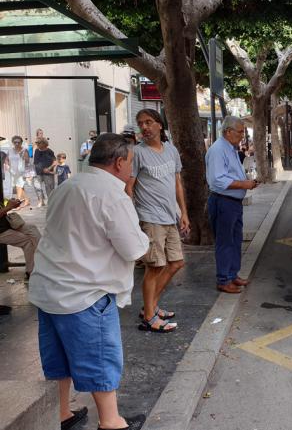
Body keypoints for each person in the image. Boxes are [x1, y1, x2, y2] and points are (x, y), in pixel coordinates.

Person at [28, 133, 149, 430]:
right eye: (130, 162)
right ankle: (111, 422)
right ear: (119, 162)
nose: (131, 169)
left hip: (49, 288)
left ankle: (61, 413)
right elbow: (133, 248)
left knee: (57, 361)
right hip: (86, 293)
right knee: (100, 359)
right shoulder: (112, 195)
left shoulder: (66, 187)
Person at [126, 109, 188, 333]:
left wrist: (184, 213)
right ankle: (149, 317)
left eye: (149, 122)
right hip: (150, 217)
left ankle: (150, 307)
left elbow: (177, 183)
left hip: (170, 216)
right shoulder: (137, 153)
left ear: (159, 125)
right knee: (155, 266)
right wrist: (132, 218)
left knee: (176, 263)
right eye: (141, 123)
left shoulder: (171, 151)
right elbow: (129, 187)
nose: (144, 127)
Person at [206, 116, 257, 294]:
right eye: (240, 131)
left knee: (235, 240)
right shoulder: (218, 150)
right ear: (228, 132)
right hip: (223, 201)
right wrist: (245, 184)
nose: (242, 135)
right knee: (225, 241)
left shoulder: (231, 149)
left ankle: (232, 273)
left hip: (233, 202)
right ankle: (223, 279)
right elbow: (218, 180)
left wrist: (246, 182)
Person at [0, 197, 41, 281]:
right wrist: (9, 207)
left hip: (8, 224)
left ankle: (43, 258)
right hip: (2, 231)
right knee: (27, 241)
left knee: (32, 229)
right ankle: (31, 271)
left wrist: (11, 204)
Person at [33, 138, 56, 207]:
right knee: (37, 187)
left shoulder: (50, 151)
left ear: (44, 143)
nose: (37, 144)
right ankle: (41, 201)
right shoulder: (36, 151)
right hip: (38, 172)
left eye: (39, 143)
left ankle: (51, 201)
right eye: (37, 143)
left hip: (48, 173)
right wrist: (41, 169)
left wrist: (49, 168)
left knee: (49, 188)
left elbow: (55, 161)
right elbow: (35, 162)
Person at [8, 136, 30, 207]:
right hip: (12, 171)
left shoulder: (24, 150)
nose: (17, 144)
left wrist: (22, 156)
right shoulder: (10, 150)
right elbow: (7, 159)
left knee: (18, 186)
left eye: (18, 142)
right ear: (13, 142)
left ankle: (17, 204)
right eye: (15, 142)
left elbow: (27, 161)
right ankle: (26, 200)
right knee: (19, 187)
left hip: (21, 172)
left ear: (21, 142)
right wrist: (7, 166)